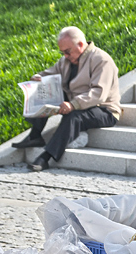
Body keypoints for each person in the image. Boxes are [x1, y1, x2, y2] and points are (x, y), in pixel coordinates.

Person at [12, 26, 121, 171]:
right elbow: (51, 73)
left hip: (104, 110)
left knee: (74, 116)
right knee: (44, 92)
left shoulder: (101, 60)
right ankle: (35, 135)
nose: (65, 55)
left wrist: (73, 104)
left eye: (67, 52)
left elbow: (98, 93)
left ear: (81, 45)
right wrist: (39, 78)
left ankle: (45, 158)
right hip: (78, 104)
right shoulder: (66, 61)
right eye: (62, 52)